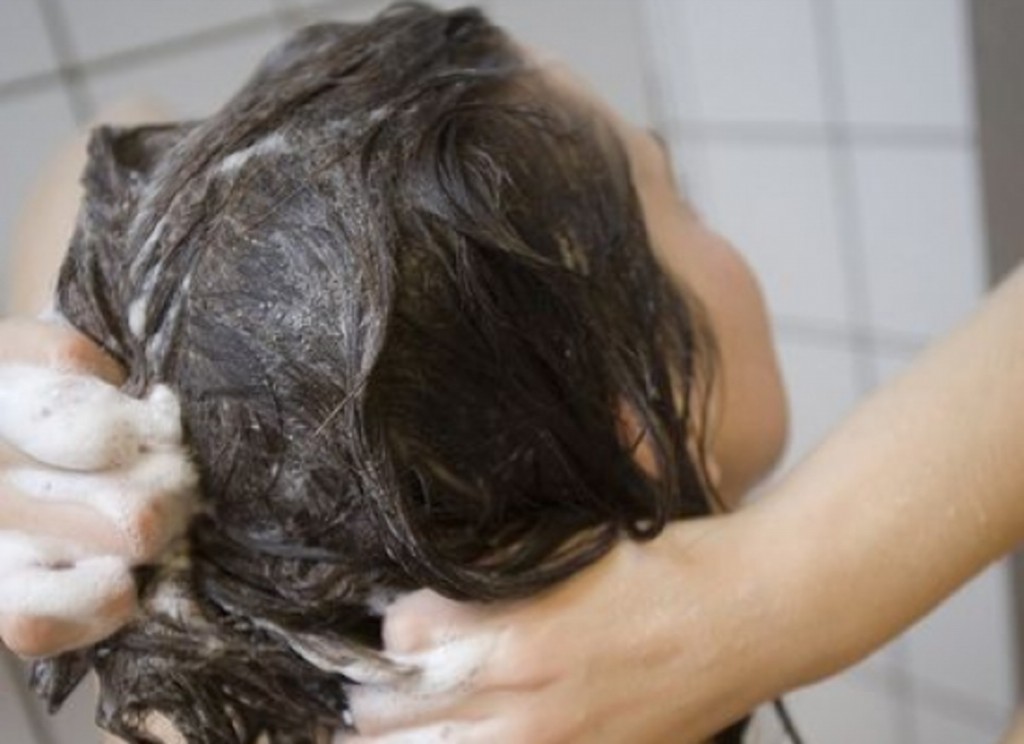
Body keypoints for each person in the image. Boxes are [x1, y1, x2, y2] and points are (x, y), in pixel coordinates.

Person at [2, 7, 1022, 744]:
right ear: (633, 400)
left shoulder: (188, 707)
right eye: (675, 191)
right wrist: (773, 596)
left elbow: (99, 139)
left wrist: (82, 363)